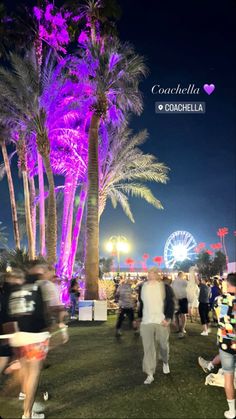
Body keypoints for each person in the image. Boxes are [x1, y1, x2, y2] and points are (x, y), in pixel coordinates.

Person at [0, 267, 50, 419]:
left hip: (18, 337)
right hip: (35, 337)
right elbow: (42, 313)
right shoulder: (35, 288)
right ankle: (27, 413)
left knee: (24, 372)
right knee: (33, 375)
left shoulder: (10, 293)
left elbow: (7, 316)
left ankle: (27, 405)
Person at [139, 267, 175, 384]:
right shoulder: (142, 287)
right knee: (148, 348)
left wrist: (168, 318)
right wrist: (139, 318)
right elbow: (141, 304)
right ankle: (149, 373)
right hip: (146, 321)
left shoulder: (165, 287)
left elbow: (170, 303)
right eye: (149, 272)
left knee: (163, 345)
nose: (151, 275)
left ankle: (165, 361)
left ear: (158, 274)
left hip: (161, 320)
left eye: (153, 272)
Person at [214, 273, 236, 419]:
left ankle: (232, 410)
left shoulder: (219, 300)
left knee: (228, 376)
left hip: (226, 343)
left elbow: (219, 318)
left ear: (227, 283)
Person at [172, 271, 188, 338]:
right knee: (182, 314)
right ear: (182, 275)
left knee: (177, 314)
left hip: (177, 299)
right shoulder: (184, 282)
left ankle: (179, 329)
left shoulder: (174, 282)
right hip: (182, 299)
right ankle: (181, 329)